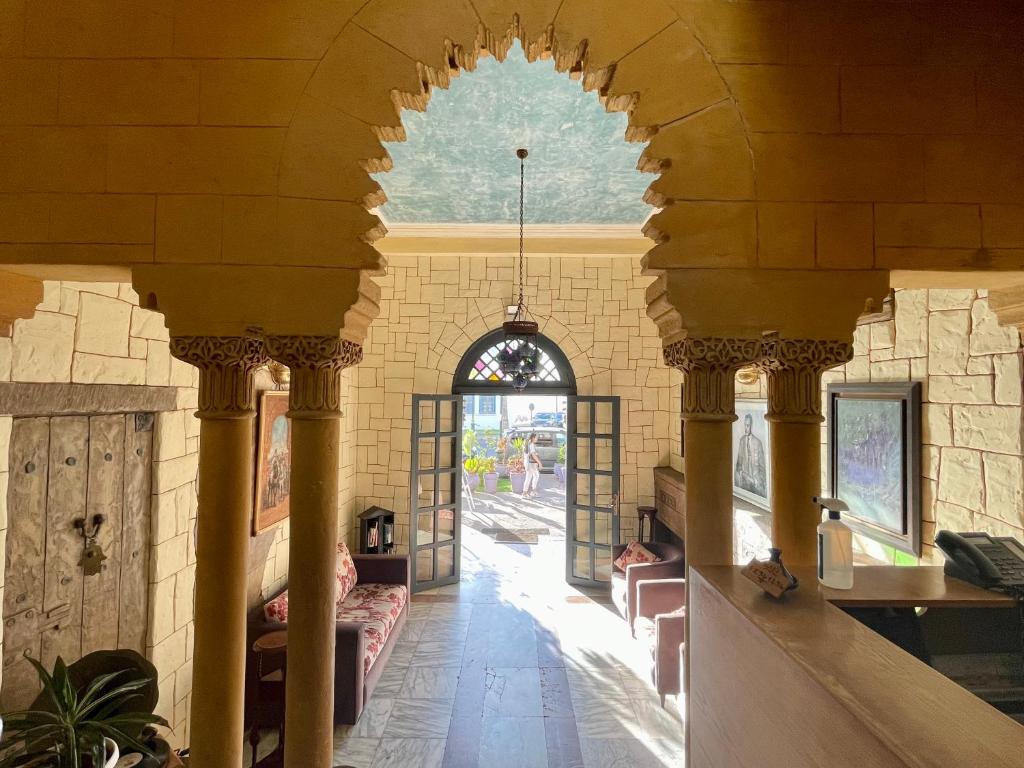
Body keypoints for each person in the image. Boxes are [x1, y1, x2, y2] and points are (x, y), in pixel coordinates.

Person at [734, 413, 767, 497]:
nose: (746, 428)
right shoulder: (741, 441)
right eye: (745, 425)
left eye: (748, 425)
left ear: (751, 426)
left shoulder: (758, 443)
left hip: (756, 484)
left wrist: (758, 481)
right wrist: (742, 476)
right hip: (744, 484)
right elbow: (738, 464)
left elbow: (762, 468)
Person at [522, 432, 542, 498]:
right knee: (536, 476)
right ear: (533, 438)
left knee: (530, 477)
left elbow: (525, 454)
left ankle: (527, 492)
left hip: (528, 463)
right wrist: (539, 463)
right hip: (531, 463)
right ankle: (530, 492)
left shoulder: (527, 443)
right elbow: (533, 455)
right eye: (536, 437)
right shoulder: (531, 445)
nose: (537, 439)